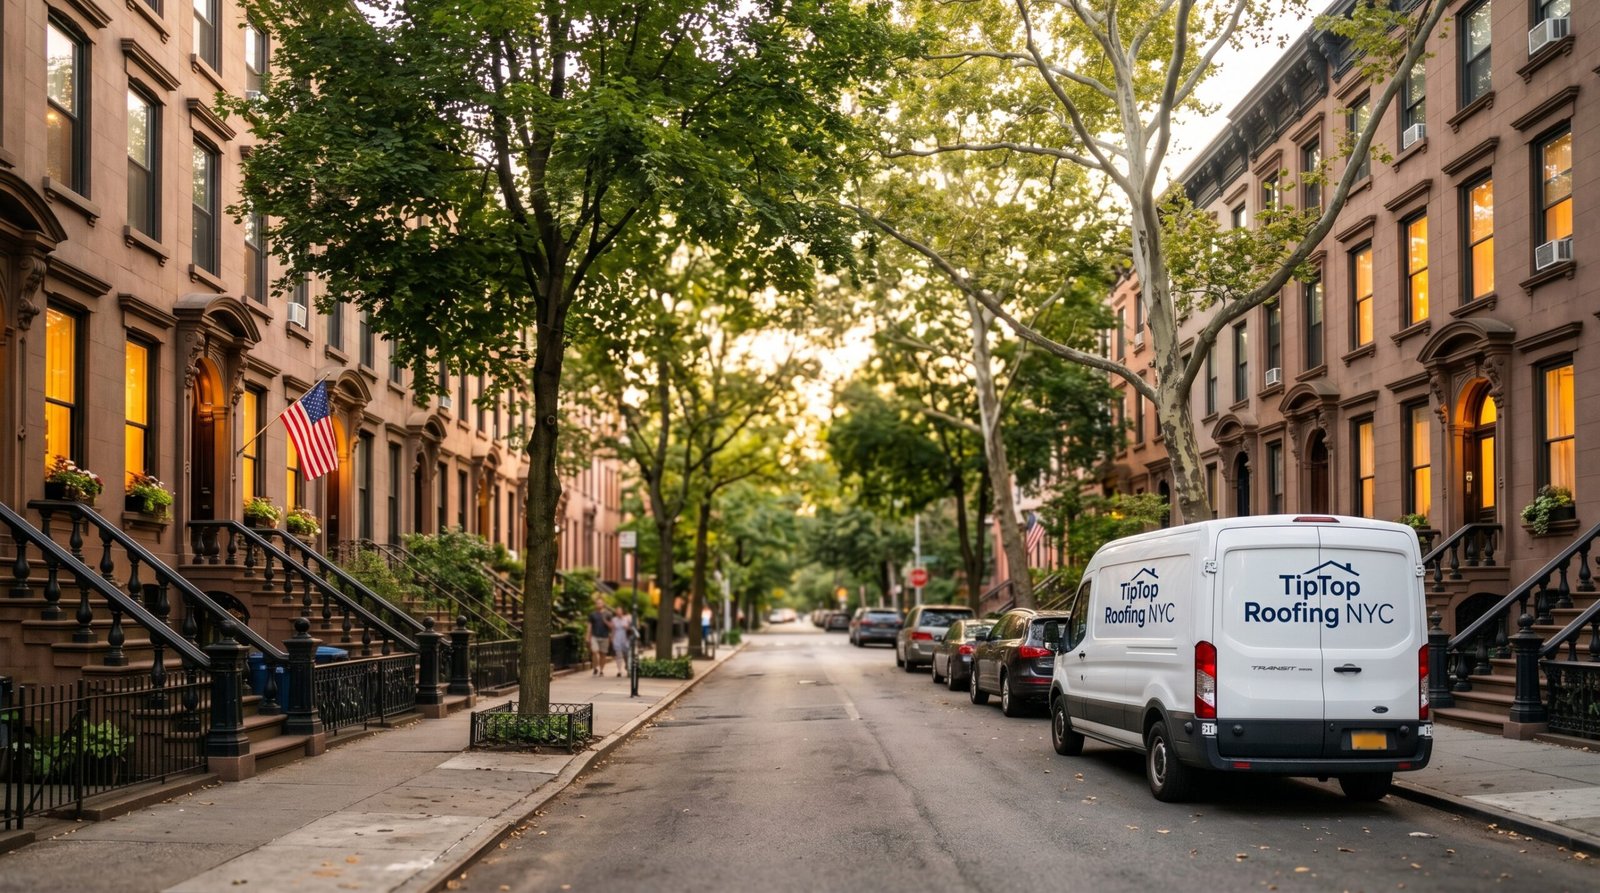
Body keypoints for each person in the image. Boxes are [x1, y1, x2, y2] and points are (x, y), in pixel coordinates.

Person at [587, 597, 612, 676]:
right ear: (595, 604)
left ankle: (601, 670)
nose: (599, 604)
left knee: (603, 654)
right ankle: (595, 667)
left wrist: (606, 622)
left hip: (605, 636)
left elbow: (612, 626)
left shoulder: (608, 614)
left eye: (600, 603)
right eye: (597, 603)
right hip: (595, 636)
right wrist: (587, 636)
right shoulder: (592, 614)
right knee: (595, 652)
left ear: (603, 604)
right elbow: (589, 626)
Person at [609, 607, 634, 677]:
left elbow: (632, 628)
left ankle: (627, 665)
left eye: (619, 611)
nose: (618, 612)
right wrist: (612, 638)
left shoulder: (627, 618)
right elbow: (613, 630)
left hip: (625, 638)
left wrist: (627, 627)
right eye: (617, 611)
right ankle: (619, 671)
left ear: (622, 612)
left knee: (626, 654)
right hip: (617, 638)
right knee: (618, 655)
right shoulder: (614, 619)